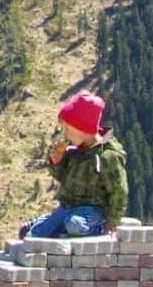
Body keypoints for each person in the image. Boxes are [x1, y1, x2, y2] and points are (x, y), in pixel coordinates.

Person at [20, 90, 128, 238]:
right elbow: (62, 176)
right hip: (67, 207)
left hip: (93, 211)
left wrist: (112, 222)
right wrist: (56, 162)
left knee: (74, 225)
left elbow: (119, 191)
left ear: (83, 129)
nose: (66, 135)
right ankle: (46, 225)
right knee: (33, 234)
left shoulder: (107, 156)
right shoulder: (74, 152)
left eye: (68, 129)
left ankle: (97, 228)